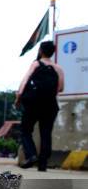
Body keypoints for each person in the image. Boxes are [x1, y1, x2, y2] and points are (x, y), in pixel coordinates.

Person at [15, 41, 64, 171]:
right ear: (52, 52)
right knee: (46, 133)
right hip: (50, 104)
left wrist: (18, 98)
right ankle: (43, 164)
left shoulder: (36, 64)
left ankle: (31, 155)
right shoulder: (58, 68)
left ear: (41, 51)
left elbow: (24, 82)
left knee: (25, 130)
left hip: (34, 103)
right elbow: (61, 88)